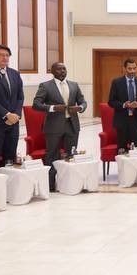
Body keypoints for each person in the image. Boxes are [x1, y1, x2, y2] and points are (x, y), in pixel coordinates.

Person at [33, 62, 87, 190]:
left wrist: (80, 108)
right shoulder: (45, 86)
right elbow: (36, 104)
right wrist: (53, 108)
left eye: (64, 69)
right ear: (52, 71)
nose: (62, 71)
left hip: (72, 125)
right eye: (58, 69)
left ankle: (69, 183)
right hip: (53, 126)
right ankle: (50, 185)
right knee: (52, 155)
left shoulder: (74, 85)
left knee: (70, 155)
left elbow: (83, 102)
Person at [107, 58, 137, 151]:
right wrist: (124, 105)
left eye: (134, 68)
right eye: (130, 68)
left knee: (135, 149)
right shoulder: (116, 82)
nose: (132, 71)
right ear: (124, 68)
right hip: (121, 120)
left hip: (136, 120)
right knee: (122, 149)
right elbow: (111, 101)